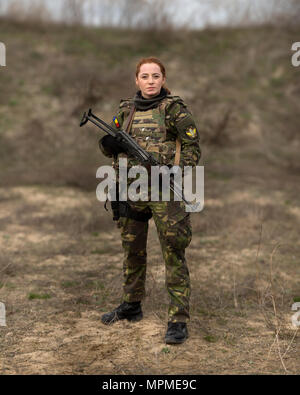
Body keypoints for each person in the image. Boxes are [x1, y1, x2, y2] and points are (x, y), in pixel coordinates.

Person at [98, 57, 201, 344]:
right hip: (131, 190)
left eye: (156, 75)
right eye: (145, 76)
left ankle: (178, 320)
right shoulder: (125, 109)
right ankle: (131, 305)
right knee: (132, 249)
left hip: (164, 192)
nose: (151, 81)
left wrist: (174, 171)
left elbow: (193, 148)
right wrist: (109, 145)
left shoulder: (175, 110)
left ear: (163, 78)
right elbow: (110, 143)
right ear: (137, 80)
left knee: (173, 252)